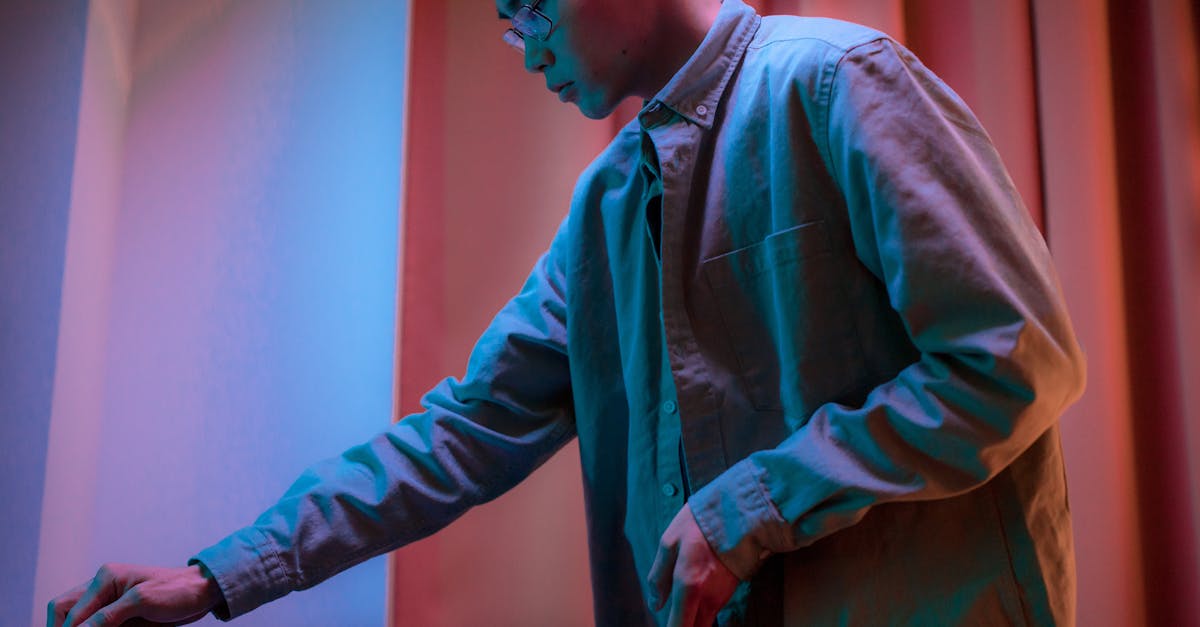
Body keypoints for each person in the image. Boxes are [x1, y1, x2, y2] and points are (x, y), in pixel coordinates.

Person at [48, 0, 1086, 625]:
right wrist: (216, 576)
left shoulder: (838, 81)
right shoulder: (608, 207)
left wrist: (755, 503)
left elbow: (1016, 360)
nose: (515, 34)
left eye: (528, 1)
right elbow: (458, 433)